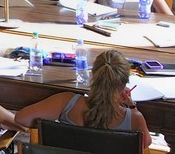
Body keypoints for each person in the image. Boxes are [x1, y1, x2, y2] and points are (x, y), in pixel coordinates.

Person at [16, 47, 151, 147]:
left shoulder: (65, 102)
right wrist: (132, 107)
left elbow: (21, 118)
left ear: (93, 75)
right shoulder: (134, 118)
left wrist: (52, 131)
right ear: (125, 84)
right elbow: (144, 144)